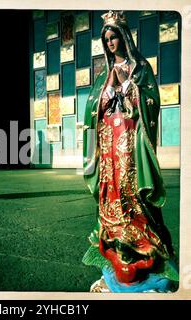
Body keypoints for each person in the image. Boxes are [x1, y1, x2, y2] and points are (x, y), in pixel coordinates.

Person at [82, 11, 178, 292]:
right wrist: (107, 94)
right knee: (112, 190)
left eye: (114, 37)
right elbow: (93, 109)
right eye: (107, 39)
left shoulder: (141, 68)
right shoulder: (104, 73)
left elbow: (151, 100)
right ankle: (115, 246)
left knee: (134, 190)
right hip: (110, 142)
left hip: (131, 142)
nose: (110, 43)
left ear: (124, 38)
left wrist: (128, 87)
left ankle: (145, 248)